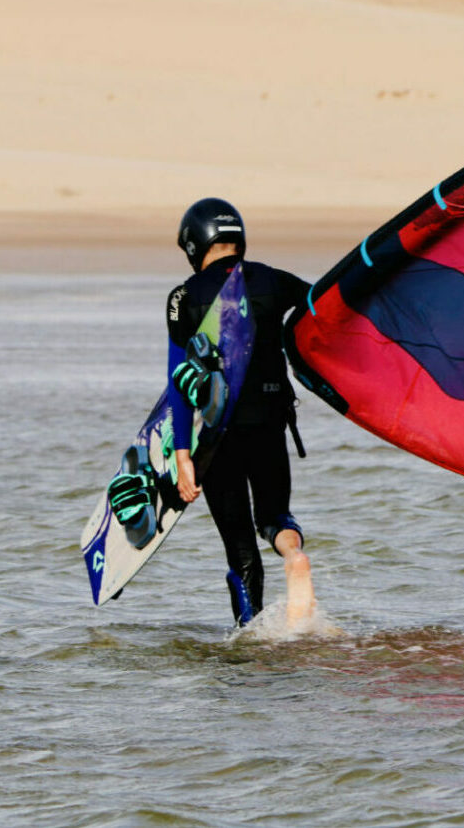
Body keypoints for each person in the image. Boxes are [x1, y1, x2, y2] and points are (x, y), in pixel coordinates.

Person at [116, 197, 316, 627]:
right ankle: (294, 556)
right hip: (269, 422)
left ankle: (248, 639)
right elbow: (321, 306)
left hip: (217, 439)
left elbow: (180, 381)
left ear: (194, 244)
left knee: (241, 550)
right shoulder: (273, 280)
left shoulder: (183, 298)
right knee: (274, 518)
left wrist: (183, 456)